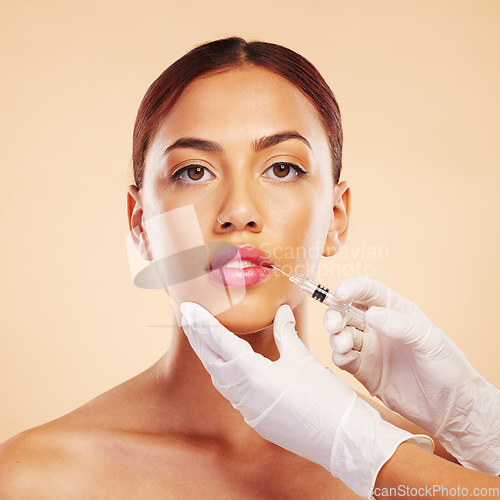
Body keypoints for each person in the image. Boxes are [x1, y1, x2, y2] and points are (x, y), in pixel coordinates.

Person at [0, 36, 497, 499]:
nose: (238, 211)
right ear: (141, 224)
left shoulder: (437, 467)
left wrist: (472, 422)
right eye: (194, 172)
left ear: (335, 217)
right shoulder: (35, 478)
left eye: (281, 168)